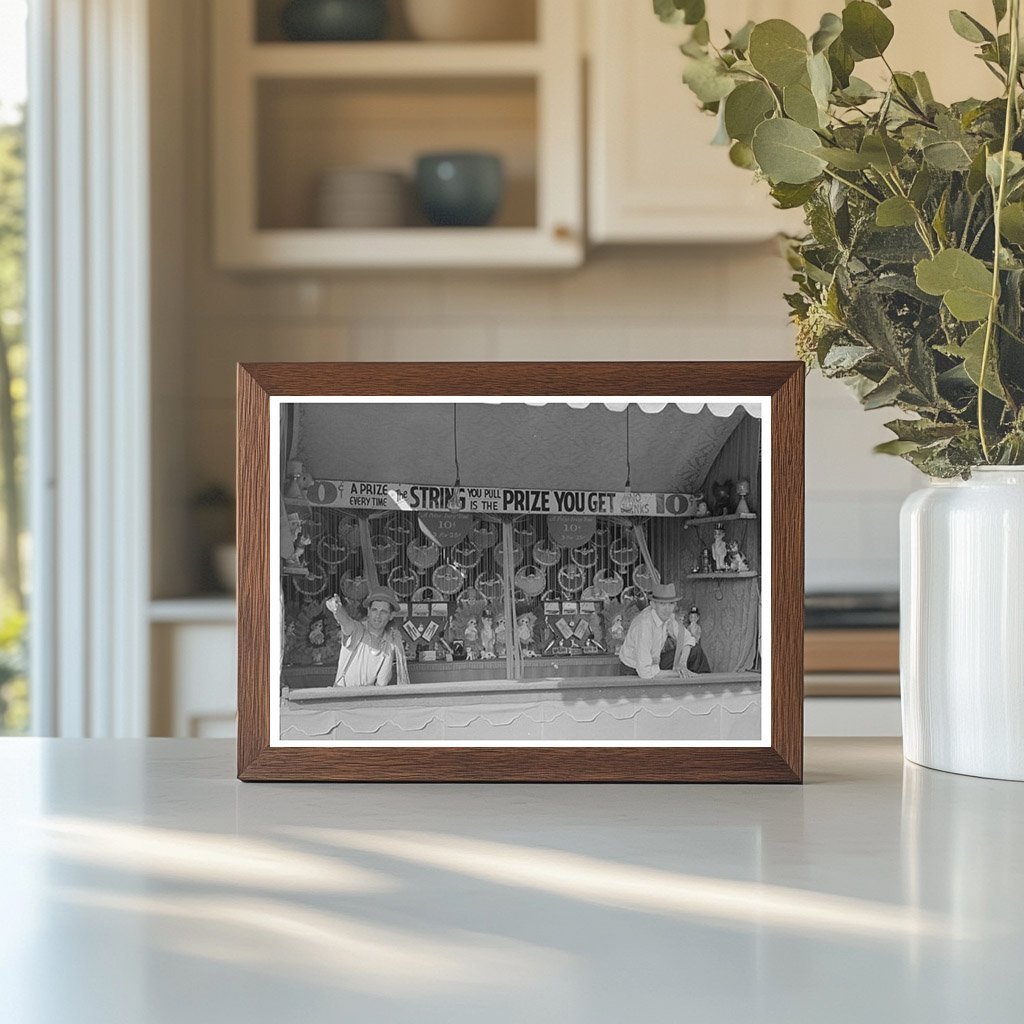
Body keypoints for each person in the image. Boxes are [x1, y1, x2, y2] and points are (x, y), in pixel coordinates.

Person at [325, 587, 409, 688]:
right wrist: (337, 609)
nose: (378, 615)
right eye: (374, 610)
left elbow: (382, 683)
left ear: (391, 615)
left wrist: (393, 646)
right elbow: (345, 621)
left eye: (383, 612)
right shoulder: (357, 629)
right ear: (368, 611)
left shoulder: (388, 642)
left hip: (367, 698)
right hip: (343, 696)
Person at [618, 582, 696, 679]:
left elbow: (688, 639)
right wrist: (678, 673)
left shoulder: (669, 617)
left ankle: (704, 687)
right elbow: (645, 672)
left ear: (675, 605)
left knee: (696, 652)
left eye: (671, 604)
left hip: (654, 662)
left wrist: (682, 664)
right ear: (653, 604)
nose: (667, 609)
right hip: (633, 670)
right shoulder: (645, 624)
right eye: (662, 604)